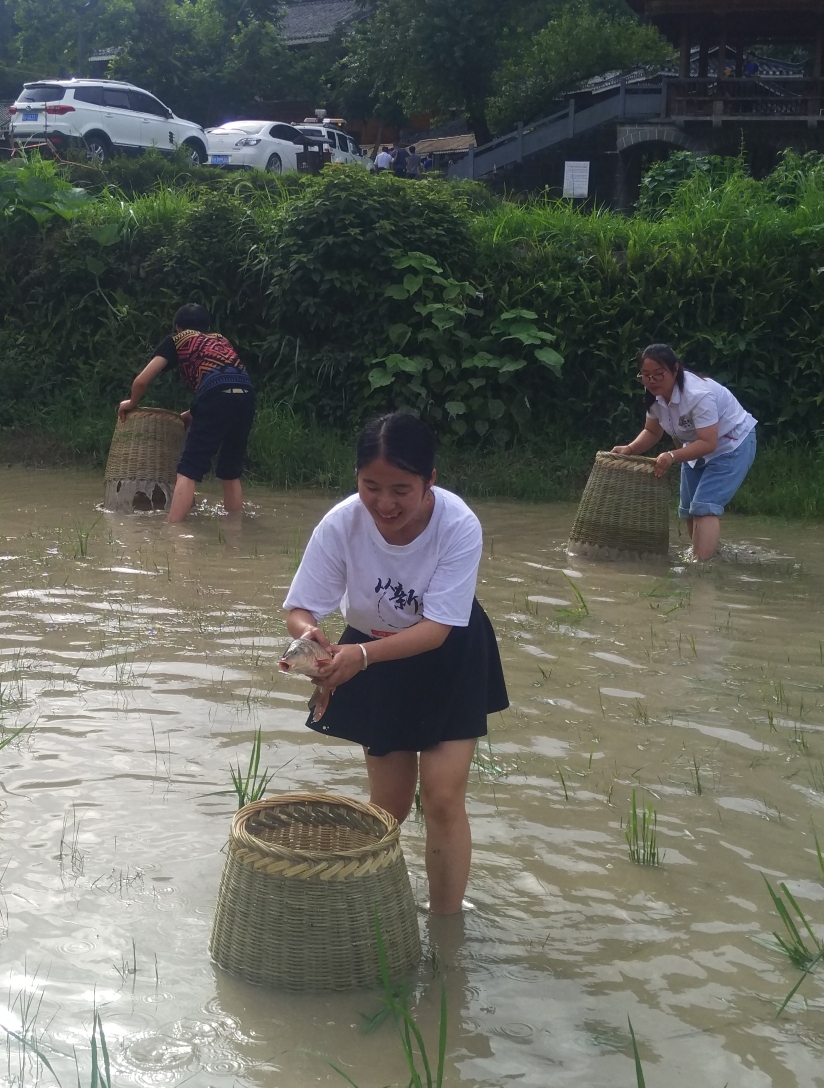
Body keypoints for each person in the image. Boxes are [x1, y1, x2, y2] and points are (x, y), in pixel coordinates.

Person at [283, 412, 508, 914]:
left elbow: (438, 629)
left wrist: (361, 657)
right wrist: (311, 638)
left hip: (448, 653)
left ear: (430, 481)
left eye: (401, 490)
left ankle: (446, 931)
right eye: (371, 487)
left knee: (443, 798)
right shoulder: (343, 522)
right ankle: (372, 908)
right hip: (371, 652)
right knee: (389, 808)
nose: (385, 504)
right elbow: (300, 608)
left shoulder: (457, 524)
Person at [612, 344, 757, 561]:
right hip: (693, 446)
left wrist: (671, 456)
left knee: (704, 507)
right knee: (689, 510)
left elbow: (708, 442)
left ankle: (700, 569)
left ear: (675, 369)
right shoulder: (654, 393)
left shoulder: (698, 394)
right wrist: (630, 449)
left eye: (658, 374)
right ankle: (704, 557)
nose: (651, 381)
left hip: (730, 444)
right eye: (645, 375)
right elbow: (652, 431)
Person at [117, 303, 255, 523]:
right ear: (208, 327)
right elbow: (227, 387)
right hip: (246, 394)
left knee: (188, 470)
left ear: (178, 327)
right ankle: (234, 528)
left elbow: (142, 380)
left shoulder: (178, 339)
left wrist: (132, 402)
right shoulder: (221, 341)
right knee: (230, 471)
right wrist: (192, 414)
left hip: (215, 395)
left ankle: (173, 531)